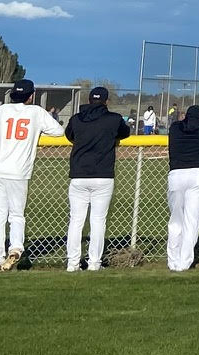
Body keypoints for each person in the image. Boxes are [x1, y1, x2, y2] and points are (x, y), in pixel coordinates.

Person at [0, 79, 64, 271]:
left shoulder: (3, 110)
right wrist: (37, 133)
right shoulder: (36, 112)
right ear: (31, 96)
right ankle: (16, 247)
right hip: (19, 171)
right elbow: (58, 131)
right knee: (17, 214)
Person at [65, 86, 129, 272]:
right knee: (98, 221)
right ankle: (94, 263)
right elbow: (125, 132)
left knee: (76, 221)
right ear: (106, 101)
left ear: (89, 100)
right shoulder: (113, 119)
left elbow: (69, 135)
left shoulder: (77, 118)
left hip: (79, 175)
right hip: (103, 175)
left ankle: (72, 263)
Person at [165, 105, 199, 272]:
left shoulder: (176, 128)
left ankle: (172, 261)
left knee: (176, 220)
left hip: (176, 174)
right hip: (198, 174)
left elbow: (180, 124)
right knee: (192, 221)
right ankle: (184, 262)